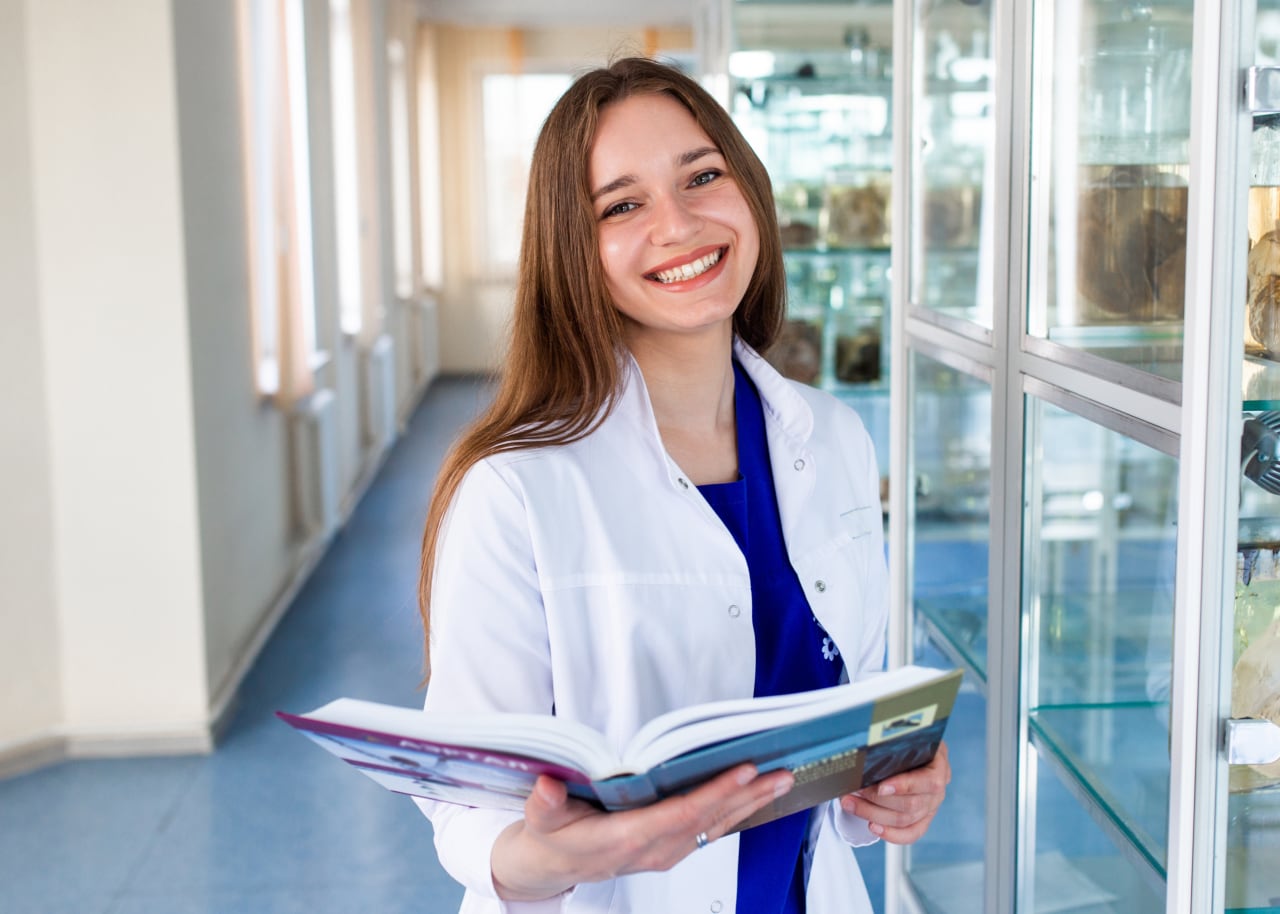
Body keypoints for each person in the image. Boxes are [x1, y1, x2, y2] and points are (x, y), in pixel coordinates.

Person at [414, 56, 950, 914]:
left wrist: (892, 781)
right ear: (574, 251)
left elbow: (850, 703)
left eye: (703, 176)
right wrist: (539, 856)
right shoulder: (513, 488)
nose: (679, 224)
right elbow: (465, 810)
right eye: (622, 205)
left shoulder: (838, 440)